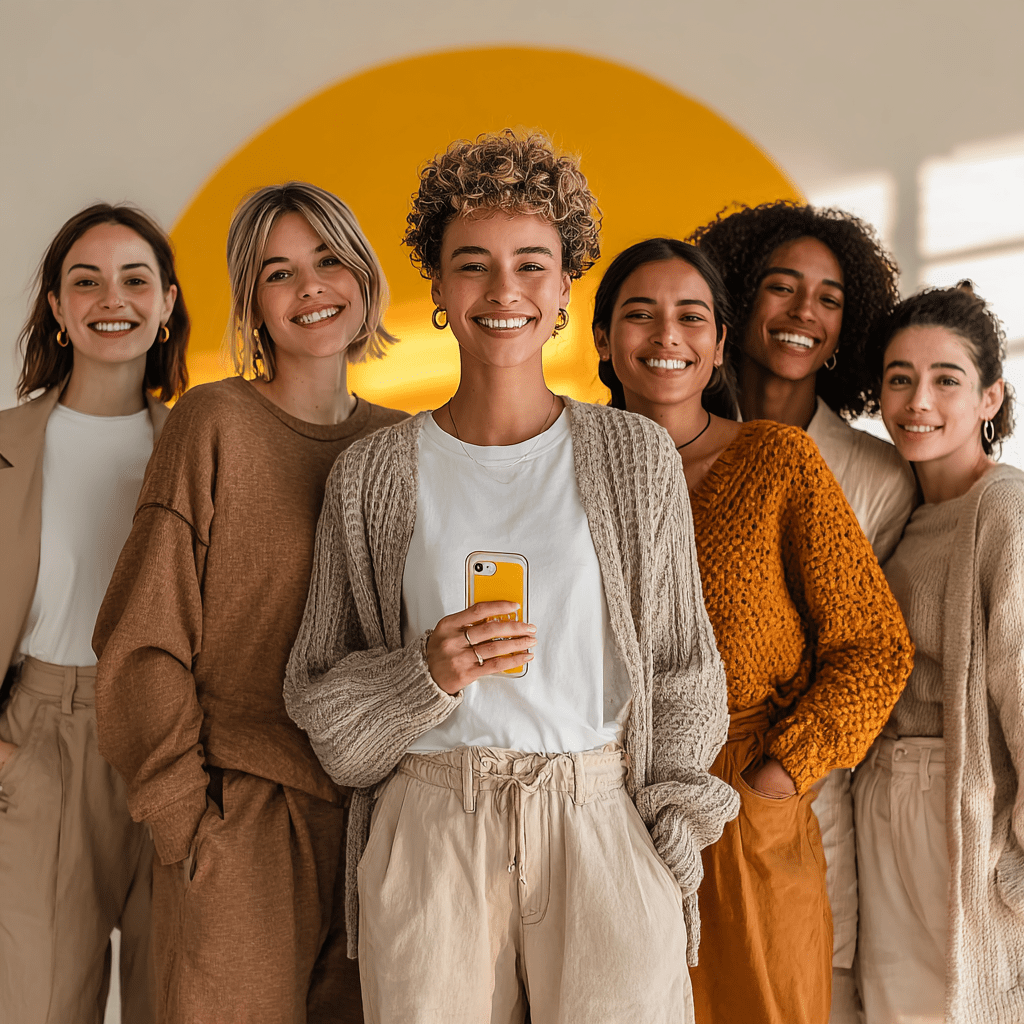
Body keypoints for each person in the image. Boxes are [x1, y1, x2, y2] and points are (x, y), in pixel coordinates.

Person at [284, 132, 738, 1024]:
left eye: (532, 264)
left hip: (603, 821)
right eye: (473, 265)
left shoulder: (635, 457)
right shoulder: (372, 475)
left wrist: (668, 839)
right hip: (432, 829)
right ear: (440, 292)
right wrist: (425, 674)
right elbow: (323, 711)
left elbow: (688, 668)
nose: (503, 291)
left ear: (565, 287)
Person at [92, 182, 405, 1024]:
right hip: (243, 821)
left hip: (387, 826)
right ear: (252, 303)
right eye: (279, 272)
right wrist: (186, 822)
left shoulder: (405, 444)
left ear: (365, 278)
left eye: (328, 260)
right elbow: (144, 637)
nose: (310, 288)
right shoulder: (214, 422)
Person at [592, 237, 913, 1024]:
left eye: (691, 316)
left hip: (742, 807)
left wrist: (779, 776)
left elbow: (873, 646)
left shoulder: (777, 462)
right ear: (601, 339)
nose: (667, 337)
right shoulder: (564, 466)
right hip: (595, 804)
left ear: (719, 343)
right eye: (640, 314)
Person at [693, 202, 918, 1022]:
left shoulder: (879, 476)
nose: (803, 314)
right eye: (781, 289)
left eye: (828, 299)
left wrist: (780, 777)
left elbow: (871, 647)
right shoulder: (657, 441)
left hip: (793, 786)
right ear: (736, 301)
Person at [0, 202, 189, 1023]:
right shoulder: (5, 443)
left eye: (134, 279)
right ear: (57, 307)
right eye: (86, 280)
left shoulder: (199, 443)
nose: (111, 298)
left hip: (173, 741)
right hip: (40, 737)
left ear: (168, 302)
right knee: (36, 1004)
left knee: (174, 1000)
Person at [856, 283, 1024, 1024]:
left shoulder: (1005, 510)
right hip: (883, 798)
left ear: (990, 398)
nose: (917, 399)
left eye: (945, 379)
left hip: (958, 799)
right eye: (900, 378)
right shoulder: (905, 510)